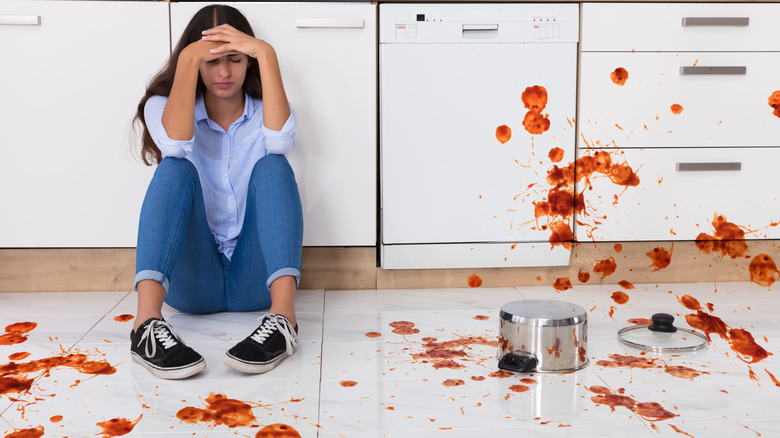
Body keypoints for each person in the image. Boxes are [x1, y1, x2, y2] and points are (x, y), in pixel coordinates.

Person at [130, 4, 303, 379]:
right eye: (210, 61)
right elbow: (174, 145)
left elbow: (280, 140)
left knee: (274, 163)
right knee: (175, 166)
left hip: (256, 280)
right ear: (193, 63)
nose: (224, 72)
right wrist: (189, 58)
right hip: (193, 284)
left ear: (249, 62)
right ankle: (144, 326)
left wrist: (267, 52)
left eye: (235, 59)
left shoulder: (267, 108)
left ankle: (284, 319)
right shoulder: (164, 106)